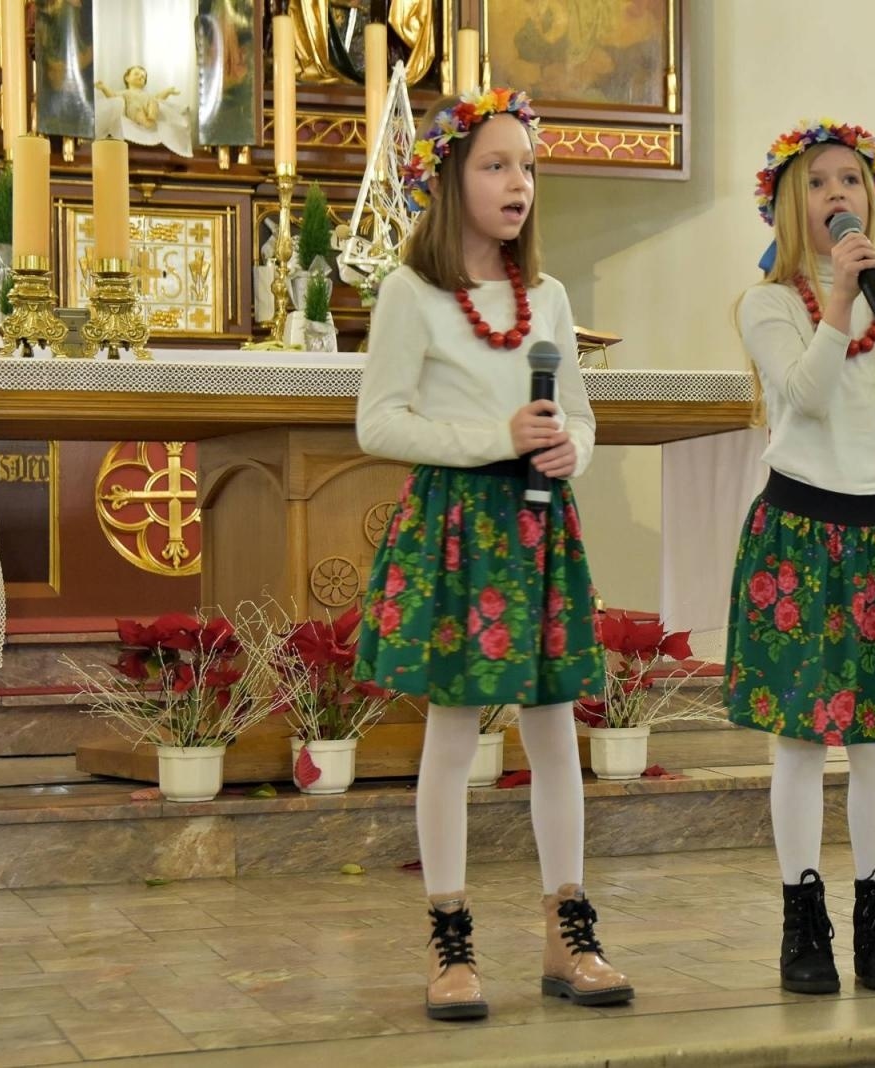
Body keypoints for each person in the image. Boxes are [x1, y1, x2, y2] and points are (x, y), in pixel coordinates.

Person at [354, 87, 632, 1022]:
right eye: (496, 165)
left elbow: (582, 418)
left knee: (556, 732)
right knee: (455, 733)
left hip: (539, 525)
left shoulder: (546, 296)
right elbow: (378, 422)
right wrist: (498, 435)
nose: (519, 183)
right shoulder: (410, 292)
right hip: (459, 533)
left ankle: (568, 928)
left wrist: (568, 448)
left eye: (527, 167)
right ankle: (451, 938)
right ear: (449, 180)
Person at [726, 118, 875, 995]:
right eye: (820, 182)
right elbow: (806, 397)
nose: (838, 195)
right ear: (792, 202)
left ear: (871, 198)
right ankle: (802, 922)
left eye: (852, 181)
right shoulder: (768, 305)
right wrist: (835, 302)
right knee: (799, 741)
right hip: (798, 534)